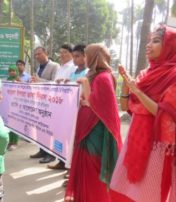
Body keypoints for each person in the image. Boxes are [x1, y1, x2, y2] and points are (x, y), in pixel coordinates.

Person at [110, 25, 176, 202]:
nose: (148, 45)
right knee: (128, 189)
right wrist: (126, 85)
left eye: (155, 41)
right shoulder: (145, 74)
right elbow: (126, 107)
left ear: (170, 46)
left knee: (150, 192)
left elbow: (166, 114)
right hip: (135, 139)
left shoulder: (173, 75)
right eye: (149, 41)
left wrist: (137, 91)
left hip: (157, 145)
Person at [64, 43, 122, 202]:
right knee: (85, 168)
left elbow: (98, 104)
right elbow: (86, 98)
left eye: (88, 54)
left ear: (96, 56)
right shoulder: (92, 74)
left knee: (92, 169)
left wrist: (85, 86)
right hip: (85, 130)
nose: (86, 57)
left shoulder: (104, 77)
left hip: (95, 133)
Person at [48, 44, 88, 171]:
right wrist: (64, 83)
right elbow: (72, 88)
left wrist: (70, 84)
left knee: (76, 141)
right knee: (66, 137)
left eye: (77, 56)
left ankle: (73, 169)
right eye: (74, 56)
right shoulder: (75, 71)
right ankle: (65, 163)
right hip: (69, 109)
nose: (74, 59)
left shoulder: (87, 72)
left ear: (85, 56)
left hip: (80, 110)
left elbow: (83, 89)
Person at [30, 46, 59, 163]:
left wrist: (39, 81)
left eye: (39, 54)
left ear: (46, 53)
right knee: (40, 127)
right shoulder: (38, 68)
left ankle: (51, 154)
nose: (37, 56)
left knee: (49, 129)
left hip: (50, 102)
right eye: (35, 55)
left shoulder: (55, 66)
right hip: (40, 101)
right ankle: (42, 150)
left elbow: (55, 83)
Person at [6, 65, 20, 150]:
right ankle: (10, 141)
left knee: (15, 125)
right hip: (9, 105)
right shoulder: (7, 80)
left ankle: (15, 142)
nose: (12, 72)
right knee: (9, 124)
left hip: (16, 105)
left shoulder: (19, 80)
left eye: (13, 71)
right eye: (10, 71)